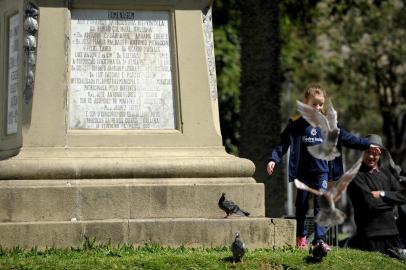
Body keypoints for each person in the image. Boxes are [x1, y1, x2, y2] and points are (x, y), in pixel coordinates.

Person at [266, 84, 374, 250]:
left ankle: (319, 241)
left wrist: (367, 144)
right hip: (302, 173)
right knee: (301, 205)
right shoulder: (296, 124)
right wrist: (274, 159)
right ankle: (300, 237)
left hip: (321, 173)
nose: (317, 107)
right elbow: (283, 143)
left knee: (320, 205)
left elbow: (348, 138)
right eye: (314, 104)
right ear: (306, 103)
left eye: (320, 104)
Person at [347, 134, 406, 259]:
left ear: (380, 154)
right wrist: (392, 202)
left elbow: (403, 196)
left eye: (375, 153)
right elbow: (370, 203)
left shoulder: (387, 174)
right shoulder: (356, 176)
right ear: (362, 152)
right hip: (370, 235)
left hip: (392, 233)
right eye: (368, 152)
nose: (372, 156)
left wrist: (382, 194)